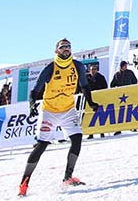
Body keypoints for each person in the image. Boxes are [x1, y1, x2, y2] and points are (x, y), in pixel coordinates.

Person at [18, 39, 101, 196]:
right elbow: (35, 90)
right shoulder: (50, 68)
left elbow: (84, 86)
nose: (66, 49)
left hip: (68, 109)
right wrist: (32, 104)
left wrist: (91, 102)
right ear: (56, 51)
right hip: (49, 111)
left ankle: (68, 177)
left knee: (77, 138)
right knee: (42, 145)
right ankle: (24, 182)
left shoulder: (77, 66)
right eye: (63, 47)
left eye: (68, 46)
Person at [85, 65, 109, 140]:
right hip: (90, 100)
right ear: (89, 70)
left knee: (100, 116)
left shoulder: (101, 77)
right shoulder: (86, 78)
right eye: (92, 69)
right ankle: (91, 133)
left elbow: (105, 87)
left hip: (99, 100)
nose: (93, 71)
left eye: (95, 69)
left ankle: (102, 132)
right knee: (90, 117)